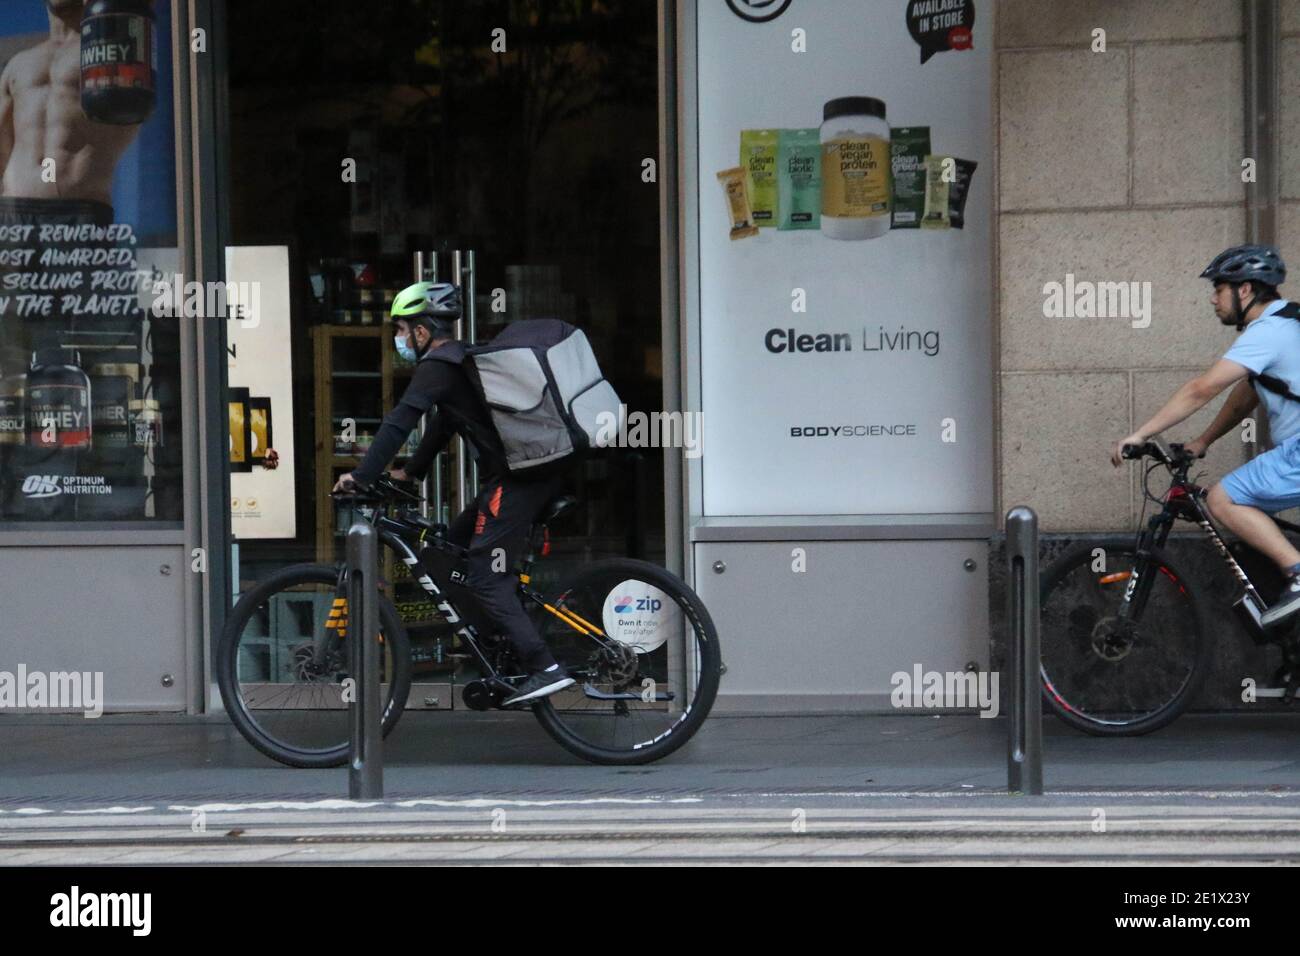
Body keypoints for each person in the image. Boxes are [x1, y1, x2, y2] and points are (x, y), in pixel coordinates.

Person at [333, 281, 575, 705]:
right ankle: (501, 642)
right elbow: (444, 424)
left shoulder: (438, 366)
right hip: (523, 479)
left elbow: (401, 420)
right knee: (449, 549)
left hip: (519, 482)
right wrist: (411, 472)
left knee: (484, 575)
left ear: (422, 331)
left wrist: (362, 476)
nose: (401, 339)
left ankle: (544, 667)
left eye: (402, 330)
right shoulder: (457, 363)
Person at [1111, 244, 1300, 626]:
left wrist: (1141, 433)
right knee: (1248, 512)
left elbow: (1203, 389)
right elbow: (1244, 396)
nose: (1213, 299)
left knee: (1224, 499)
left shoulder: (1269, 330)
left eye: (1219, 289)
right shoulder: (1284, 325)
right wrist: (1204, 441)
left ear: (1244, 290)